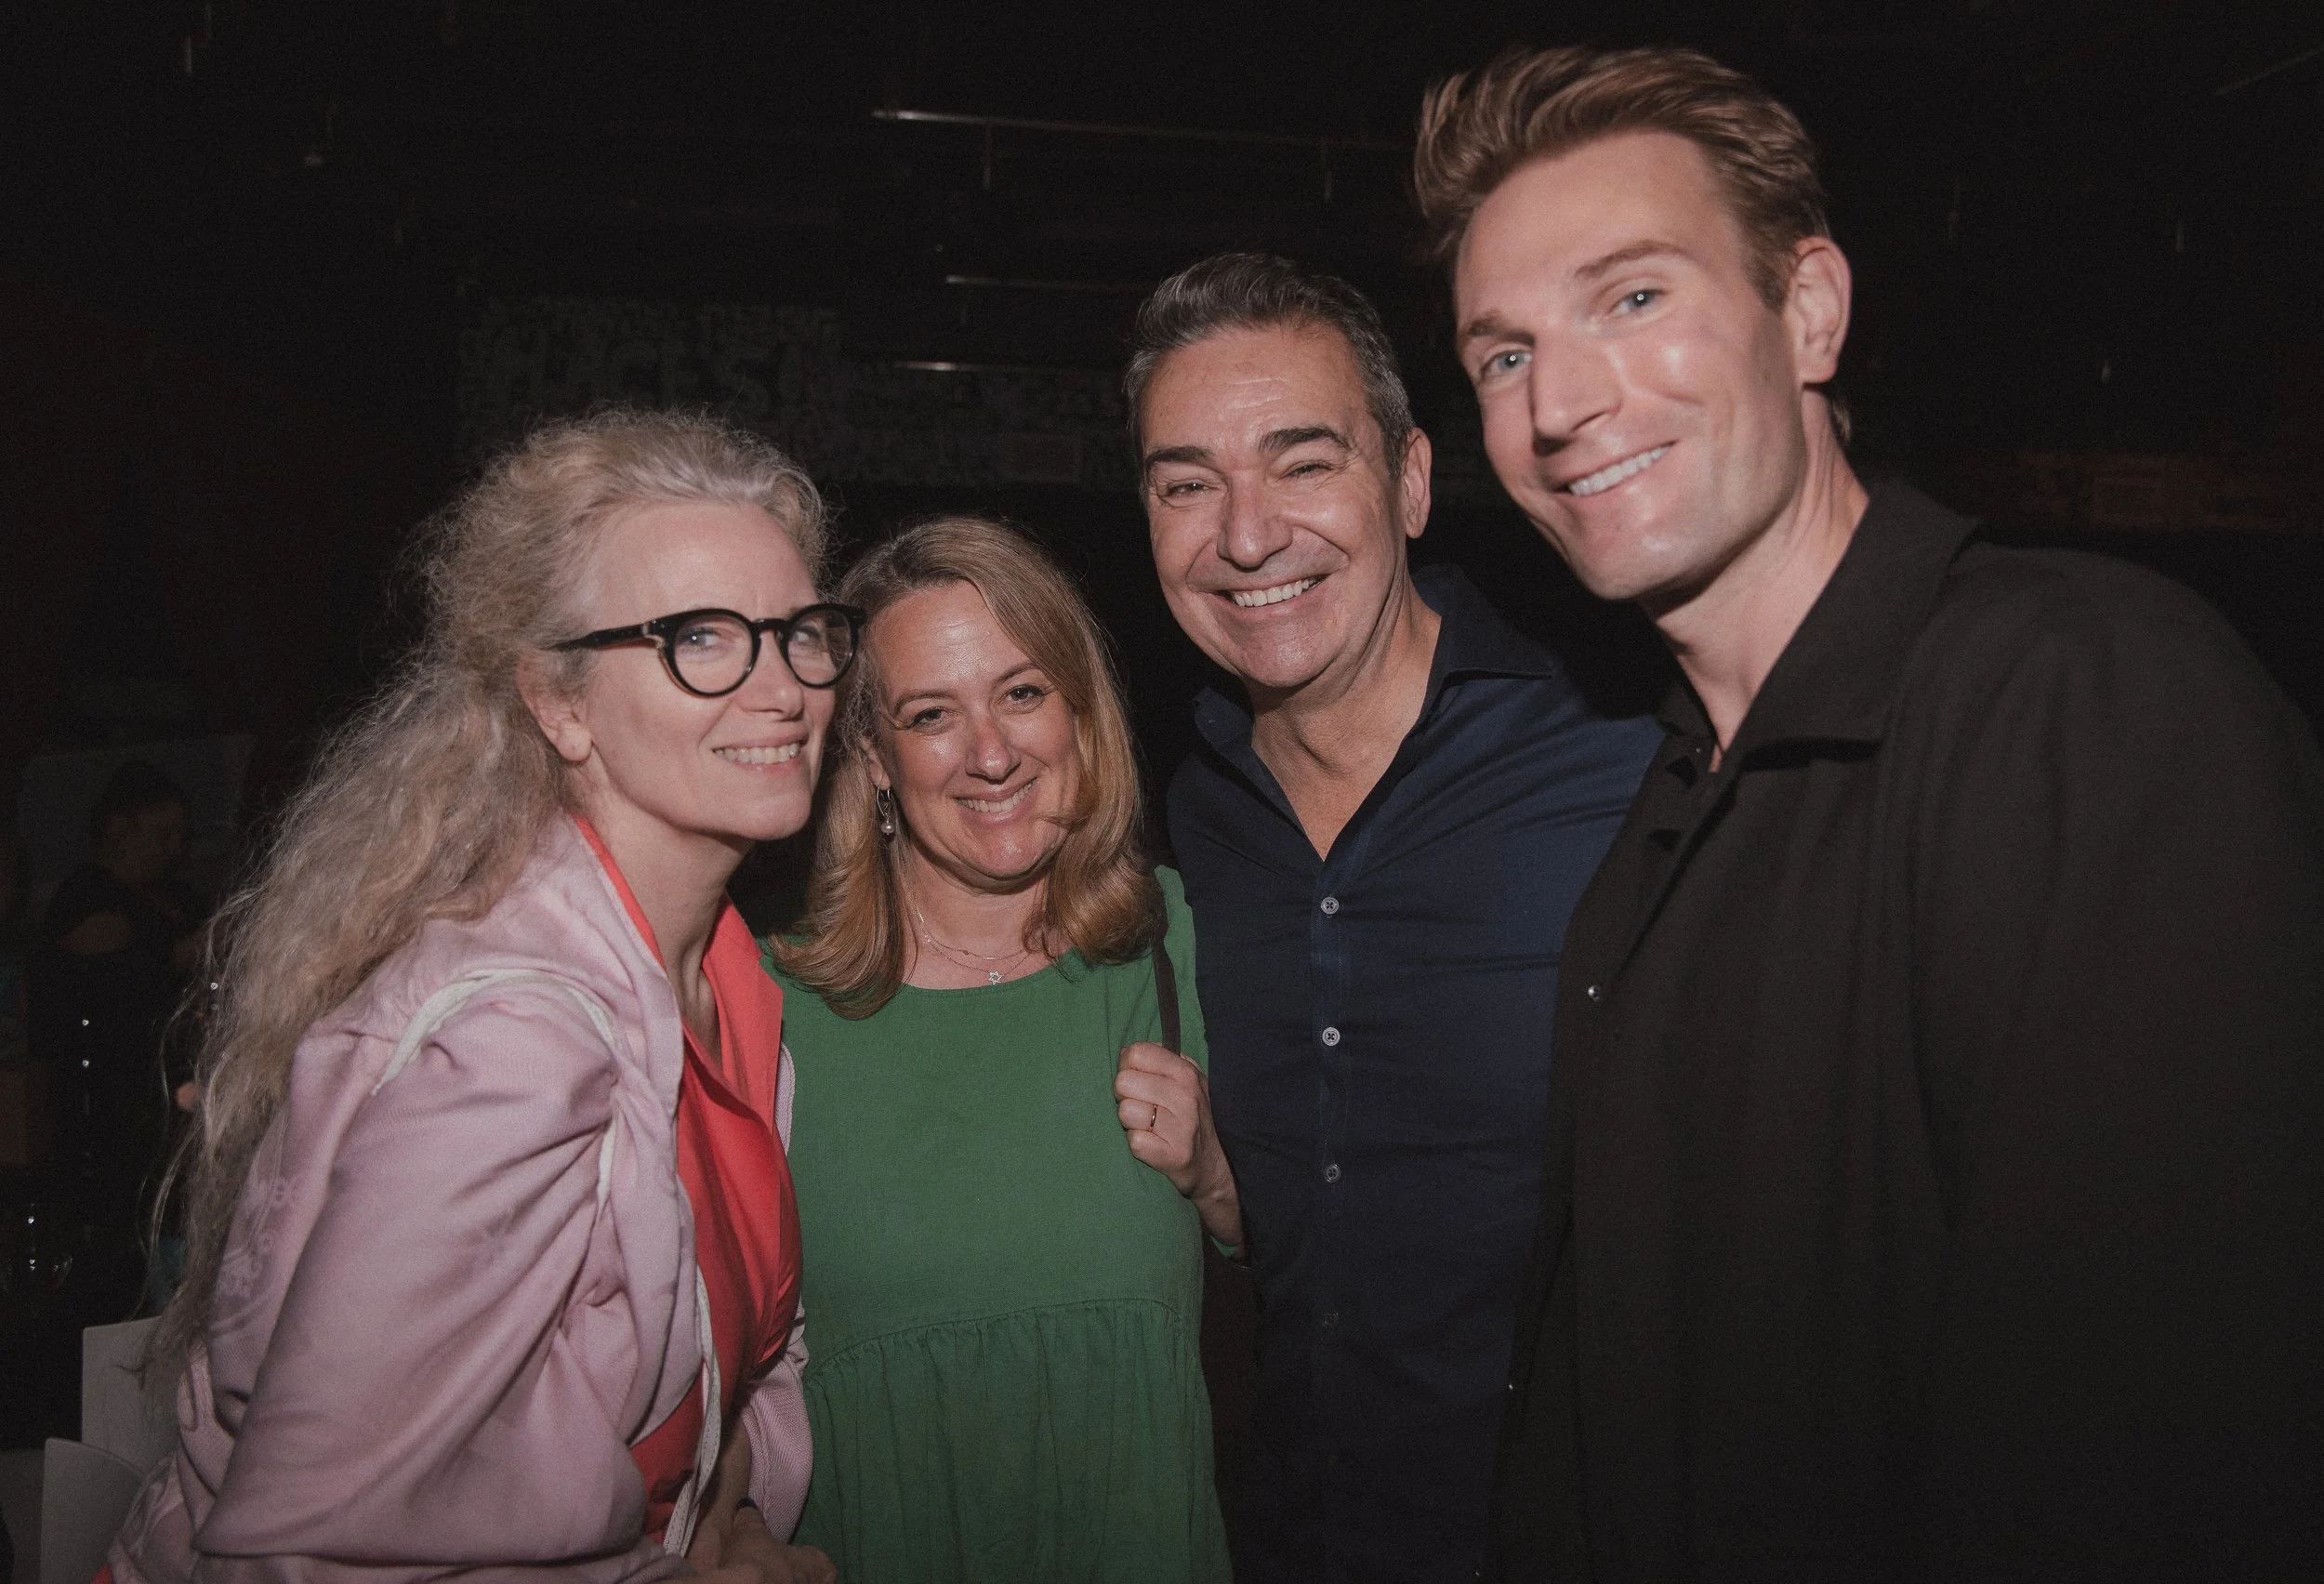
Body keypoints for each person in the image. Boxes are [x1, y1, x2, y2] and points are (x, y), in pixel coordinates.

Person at [1419, 45, 2324, 1579]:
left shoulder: (2081, 700)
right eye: (1503, 355)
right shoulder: (1671, 801)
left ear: (1811, 309)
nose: (1559, 402)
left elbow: (2155, 1455)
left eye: (1631, 297)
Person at [112, 411, 849, 1584]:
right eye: (701, 638)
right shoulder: (512, 1041)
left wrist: (726, 1510)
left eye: (799, 632)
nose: (781, 689)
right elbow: (320, 1554)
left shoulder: (727, 982)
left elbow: (738, 1355)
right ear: (558, 705)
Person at [1129, 253, 1662, 1582]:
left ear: (1412, 481)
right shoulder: (1195, 818)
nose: (1246, 535)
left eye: (1303, 463)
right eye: (1188, 484)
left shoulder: (1620, 767)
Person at [767, 516, 1235, 1584]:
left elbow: (1328, 1264)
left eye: (1022, 693)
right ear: (875, 758)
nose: (989, 753)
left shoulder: (1176, 942)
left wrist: (1215, 1174)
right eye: (933, 715)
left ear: (1079, 709)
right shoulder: (763, 1005)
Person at [28, 759, 206, 1209]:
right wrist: (197, 945)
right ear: (120, 830)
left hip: (178, 1071)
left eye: (180, 835)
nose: (175, 846)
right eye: (162, 833)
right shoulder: (87, 895)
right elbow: (117, 980)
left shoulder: (179, 896)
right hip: (110, 1091)